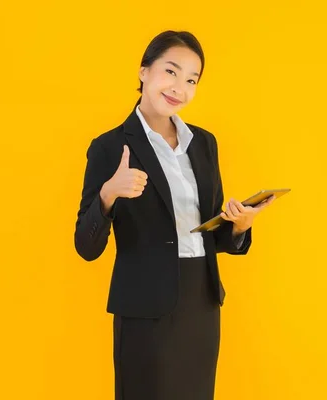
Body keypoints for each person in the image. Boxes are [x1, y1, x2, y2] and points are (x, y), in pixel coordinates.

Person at [73, 30, 275, 400]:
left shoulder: (204, 143)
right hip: (145, 308)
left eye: (191, 80)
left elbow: (210, 232)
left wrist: (239, 227)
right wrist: (108, 193)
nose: (179, 87)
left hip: (201, 300)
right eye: (170, 71)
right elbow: (86, 246)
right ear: (144, 71)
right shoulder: (108, 147)